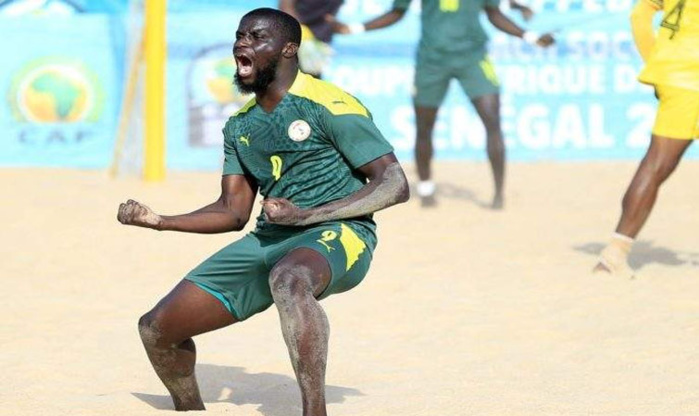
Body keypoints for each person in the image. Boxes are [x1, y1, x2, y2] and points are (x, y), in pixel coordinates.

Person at [117, 8, 409, 414]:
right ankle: (189, 409)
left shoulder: (330, 103)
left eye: (256, 37)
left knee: (289, 279)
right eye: (240, 36)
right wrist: (160, 221)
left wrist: (306, 216)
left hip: (340, 233)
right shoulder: (240, 125)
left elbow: (394, 183)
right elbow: (232, 212)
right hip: (269, 238)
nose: (242, 44)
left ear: (288, 49)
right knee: (156, 329)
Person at [329, 0, 553, 208]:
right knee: (425, 126)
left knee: (492, 120)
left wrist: (531, 37)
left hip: (473, 58)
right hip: (432, 60)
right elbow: (397, 13)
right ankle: (426, 189)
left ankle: (498, 194)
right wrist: (355, 28)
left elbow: (494, 14)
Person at [593, 0, 698, 278]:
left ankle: (613, 255)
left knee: (655, 165)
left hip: (674, 75)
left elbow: (639, 15)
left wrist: (657, 65)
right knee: (657, 165)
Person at [279, 0, 344, 77]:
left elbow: (329, 19)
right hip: (295, 39)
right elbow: (286, 6)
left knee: (311, 81)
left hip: (318, 45)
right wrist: (298, 29)